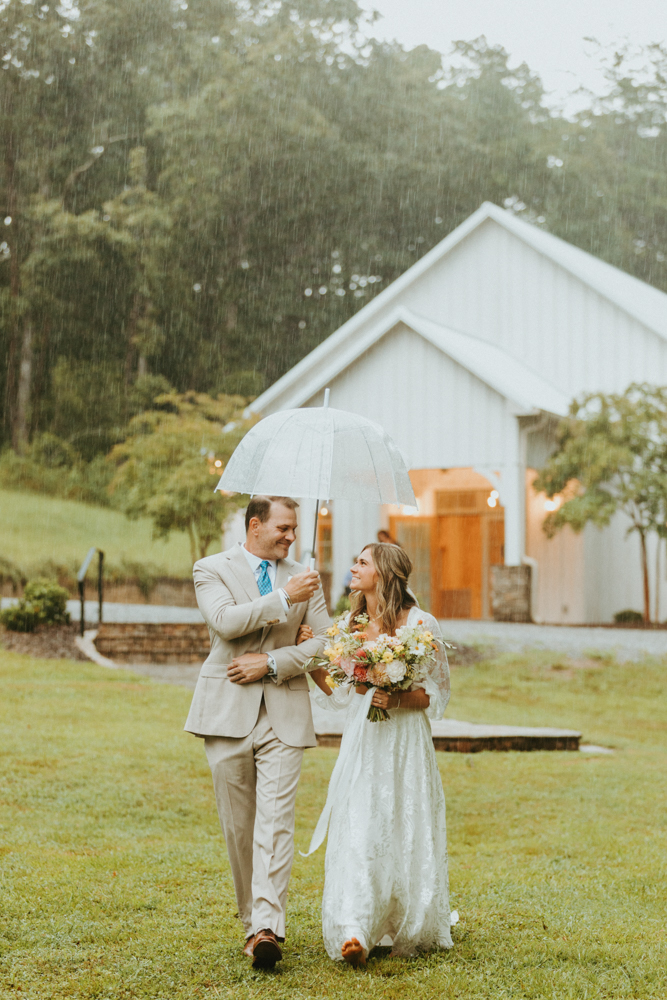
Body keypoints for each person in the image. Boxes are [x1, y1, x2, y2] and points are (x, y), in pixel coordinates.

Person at [184, 496, 330, 969]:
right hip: (226, 712)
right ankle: (252, 923)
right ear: (255, 525)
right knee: (239, 826)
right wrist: (287, 597)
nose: (291, 537)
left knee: (276, 821)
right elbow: (225, 622)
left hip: (284, 711)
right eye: (283, 528)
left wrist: (271, 662)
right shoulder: (210, 568)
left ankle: (268, 926)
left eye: (294, 530)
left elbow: (325, 645)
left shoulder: (307, 575)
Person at [298, 542, 452, 965]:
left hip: (406, 745)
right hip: (364, 742)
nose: (353, 567)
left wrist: (397, 699)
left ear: (383, 573)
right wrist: (313, 659)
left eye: (362, 562)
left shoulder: (421, 624)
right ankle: (355, 928)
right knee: (361, 826)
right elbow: (338, 694)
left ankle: (402, 918)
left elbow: (435, 695)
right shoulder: (351, 626)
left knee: (403, 824)